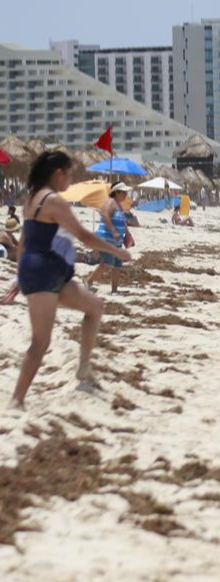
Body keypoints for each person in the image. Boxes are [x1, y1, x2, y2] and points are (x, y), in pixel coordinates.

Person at [9, 151, 131, 410]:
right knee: (40, 343)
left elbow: (23, 243)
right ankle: (16, 400)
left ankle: (84, 368)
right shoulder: (53, 201)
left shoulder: (32, 200)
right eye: (70, 174)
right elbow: (84, 236)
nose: (71, 179)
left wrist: (19, 277)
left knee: (95, 307)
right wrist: (116, 251)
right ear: (58, 174)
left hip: (51, 273)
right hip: (44, 273)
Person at [85, 183, 132, 294]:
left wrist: (127, 233)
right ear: (116, 192)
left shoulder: (118, 205)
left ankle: (114, 290)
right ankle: (88, 281)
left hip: (116, 240)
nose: (125, 195)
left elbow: (122, 221)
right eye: (123, 192)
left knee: (116, 265)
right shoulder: (111, 202)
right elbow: (104, 215)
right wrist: (114, 231)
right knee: (106, 265)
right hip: (107, 239)